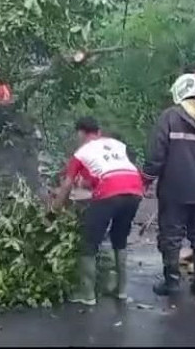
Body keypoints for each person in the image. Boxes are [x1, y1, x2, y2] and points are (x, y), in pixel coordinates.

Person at [142, 74, 195, 296]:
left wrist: (146, 179)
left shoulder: (170, 117)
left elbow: (156, 154)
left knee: (171, 236)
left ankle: (171, 282)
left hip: (174, 190)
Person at [52, 117, 145, 305]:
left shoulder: (80, 153)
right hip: (135, 189)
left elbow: (67, 185)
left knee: (89, 242)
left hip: (110, 191)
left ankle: (87, 295)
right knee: (119, 240)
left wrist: (55, 210)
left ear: (80, 133)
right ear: (99, 132)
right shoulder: (117, 144)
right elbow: (108, 169)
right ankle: (121, 291)